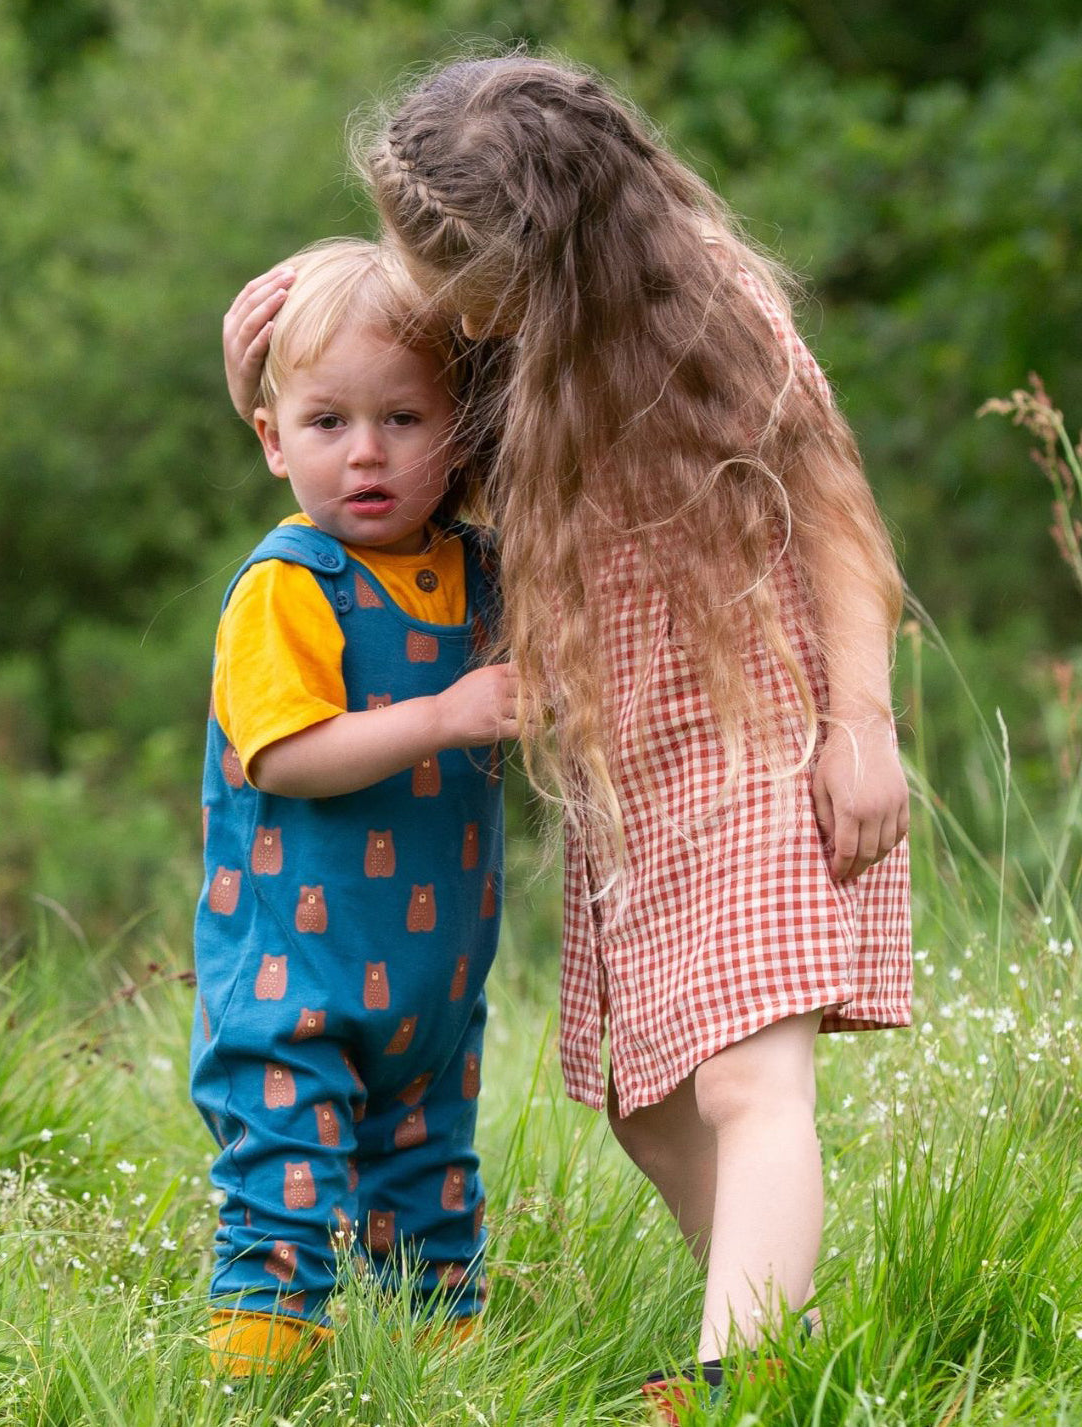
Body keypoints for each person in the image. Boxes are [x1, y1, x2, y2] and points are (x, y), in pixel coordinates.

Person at [223, 54, 912, 1413]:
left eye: (428, 261)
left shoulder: (714, 312)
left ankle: (743, 1379)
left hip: (756, 726)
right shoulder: (507, 338)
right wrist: (266, 339)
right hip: (625, 776)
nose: (412, 282)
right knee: (646, 1100)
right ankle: (799, 1345)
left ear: (528, 253)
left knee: (744, 1077)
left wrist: (862, 725)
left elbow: (834, 517)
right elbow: (376, 442)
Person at [194, 238, 517, 1377]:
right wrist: (445, 714)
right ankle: (257, 1379)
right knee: (284, 1186)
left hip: (432, 980)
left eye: (405, 419)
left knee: (427, 1181)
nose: (366, 453)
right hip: (293, 975)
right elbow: (283, 756)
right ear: (271, 438)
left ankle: (438, 1376)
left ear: (461, 434)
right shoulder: (289, 583)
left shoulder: (479, 568)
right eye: (326, 423)